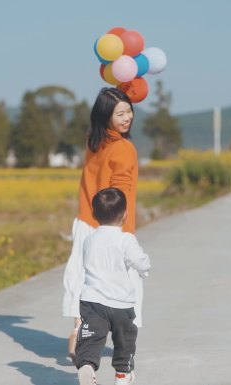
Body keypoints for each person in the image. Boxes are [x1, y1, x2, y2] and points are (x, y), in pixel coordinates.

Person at [62, 88, 142, 362]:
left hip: (86, 221)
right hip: (112, 226)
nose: (127, 117)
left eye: (129, 111)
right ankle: (122, 350)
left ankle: (78, 329)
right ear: (105, 116)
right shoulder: (123, 147)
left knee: (84, 279)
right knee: (119, 287)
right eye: (120, 113)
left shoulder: (93, 142)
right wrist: (122, 230)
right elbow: (121, 191)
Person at [75, 187, 150, 385]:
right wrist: (144, 267)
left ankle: (87, 366)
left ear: (93, 214)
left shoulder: (89, 240)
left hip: (92, 301)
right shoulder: (126, 240)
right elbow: (140, 261)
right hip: (121, 303)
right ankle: (123, 374)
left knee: (91, 338)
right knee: (124, 340)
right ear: (125, 214)